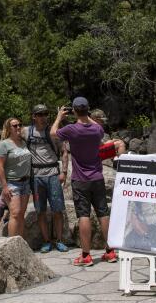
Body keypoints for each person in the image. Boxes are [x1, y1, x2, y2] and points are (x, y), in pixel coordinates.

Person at [51, 97, 126, 267]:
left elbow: (53, 133)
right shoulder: (96, 130)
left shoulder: (71, 129)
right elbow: (98, 126)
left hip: (80, 180)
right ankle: (110, 251)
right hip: (97, 178)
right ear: (88, 110)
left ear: (75, 111)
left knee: (83, 215)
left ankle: (86, 255)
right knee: (103, 213)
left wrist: (58, 117)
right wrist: (86, 116)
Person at [25, 103, 70, 253]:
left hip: (53, 174)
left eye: (45, 114)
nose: (43, 117)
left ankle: (59, 240)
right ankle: (46, 241)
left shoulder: (54, 132)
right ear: (34, 116)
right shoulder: (26, 132)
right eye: (40, 114)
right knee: (40, 211)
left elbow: (64, 151)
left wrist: (64, 171)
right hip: (36, 176)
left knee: (57, 210)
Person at [0, 117, 31, 238]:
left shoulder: (23, 142)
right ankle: (12, 245)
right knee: (14, 214)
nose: (18, 127)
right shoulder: (3, 145)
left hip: (26, 182)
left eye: (20, 125)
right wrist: (5, 187)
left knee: (21, 214)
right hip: (12, 183)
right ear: (8, 129)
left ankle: (21, 244)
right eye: (15, 126)